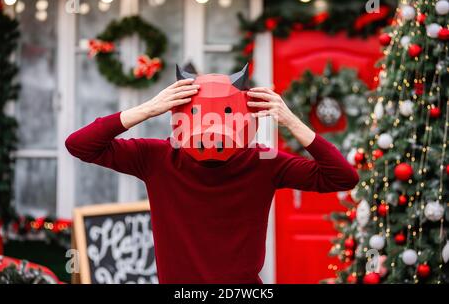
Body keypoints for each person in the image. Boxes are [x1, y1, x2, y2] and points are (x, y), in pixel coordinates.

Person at [65, 70, 359, 284]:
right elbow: (79, 145)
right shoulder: (157, 158)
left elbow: (343, 177)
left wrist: (290, 119)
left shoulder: (263, 161)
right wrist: (147, 109)